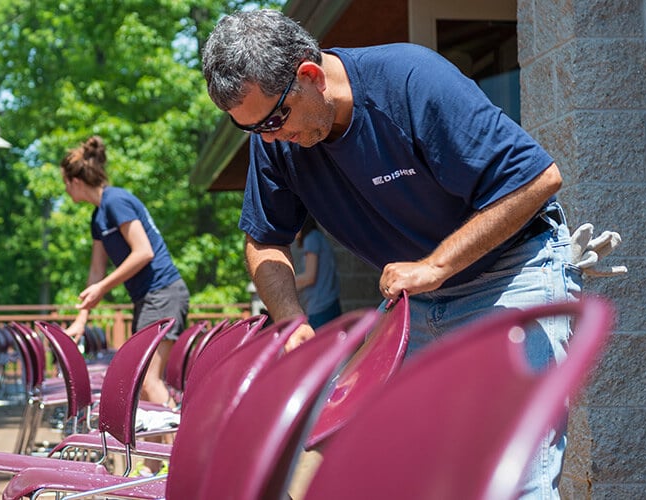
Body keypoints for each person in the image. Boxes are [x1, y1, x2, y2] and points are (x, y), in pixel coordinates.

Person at [201, 9, 583, 498]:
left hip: (511, 272)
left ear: (310, 75)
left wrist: (436, 265)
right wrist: (291, 319)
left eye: (275, 119)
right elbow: (265, 239)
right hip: (415, 302)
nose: (271, 137)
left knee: (513, 476)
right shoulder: (274, 137)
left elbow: (536, 180)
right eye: (251, 130)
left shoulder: (410, 80)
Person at [60, 136, 189, 476]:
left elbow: (143, 251)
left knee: (149, 380)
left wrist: (102, 287)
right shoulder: (97, 217)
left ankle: (175, 461)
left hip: (164, 292)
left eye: (65, 185)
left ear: (75, 181)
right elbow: (96, 271)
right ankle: (154, 462)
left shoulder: (116, 201)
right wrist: (81, 318)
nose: (66, 193)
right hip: (147, 298)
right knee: (145, 380)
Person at [292, 215, 341, 328]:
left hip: (321, 308)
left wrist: (283, 286)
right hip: (329, 304)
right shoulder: (318, 237)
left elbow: (309, 277)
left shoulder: (311, 238)